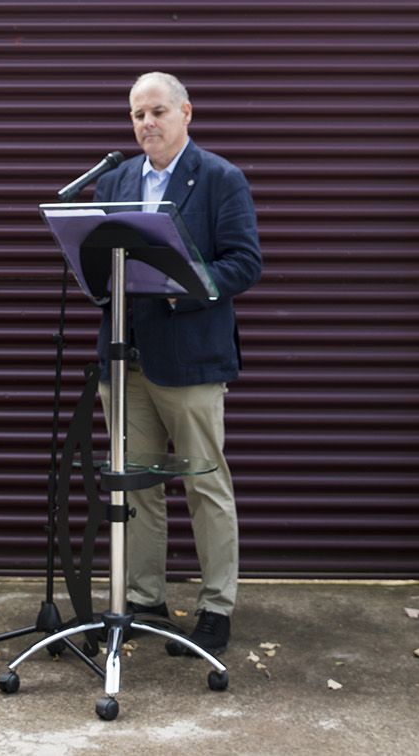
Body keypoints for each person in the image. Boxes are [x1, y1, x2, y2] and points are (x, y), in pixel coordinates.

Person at [95, 71, 262, 656]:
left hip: (191, 358)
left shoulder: (220, 179)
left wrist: (184, 285)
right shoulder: (114, 180)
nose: (147, 124)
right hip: (125, 357)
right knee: (135, 486)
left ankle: (217, 607)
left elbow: (245, 263)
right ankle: (145, 600)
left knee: (204, 484)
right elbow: (95, 262)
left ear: (186, 113)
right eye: (138, 115)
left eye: (158, 112)